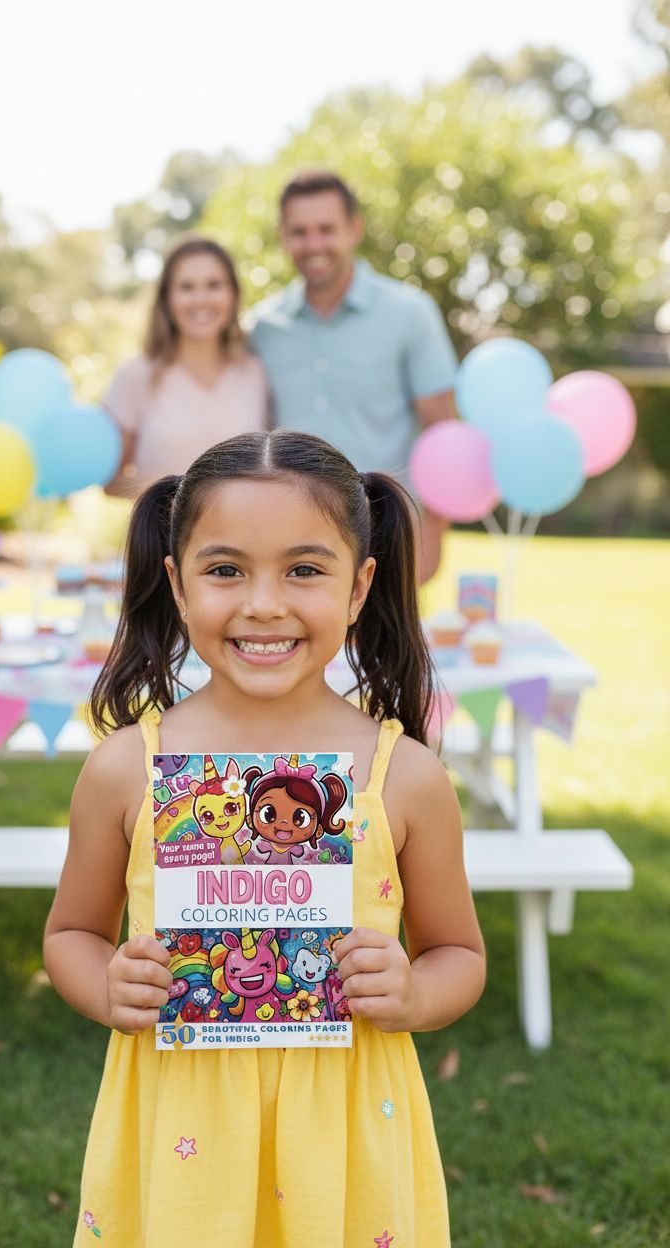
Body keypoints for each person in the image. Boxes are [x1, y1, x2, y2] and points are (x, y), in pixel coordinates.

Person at [43, 429, 485, 1248]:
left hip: (342, 1133)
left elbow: (458, 952)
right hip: (182, 1128)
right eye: (226, 570)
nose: (264, 604)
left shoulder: (404, 777)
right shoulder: (126, 769)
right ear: (178, 585)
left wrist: (416, 994)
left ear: (359, 587)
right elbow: (70, 932)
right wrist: (107, 984)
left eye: (304, 570)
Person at [249, 170, 458, 583]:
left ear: (354, 230)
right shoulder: (262, 328)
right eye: (300, 232)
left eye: (326, 229)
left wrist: (433, 536)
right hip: (291, 544)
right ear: (284, 237)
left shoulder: (410, 314)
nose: (314, 244)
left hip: (390, 537)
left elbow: (443, 434)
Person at [102, 235, 268, 494]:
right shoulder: (135, 375)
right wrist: (181, 496)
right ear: (167, 299)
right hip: (162, 523)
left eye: (214, 285)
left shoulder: (254, 371)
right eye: (186, 287)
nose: (201, 299)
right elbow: (110, 481)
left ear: (233, 294)